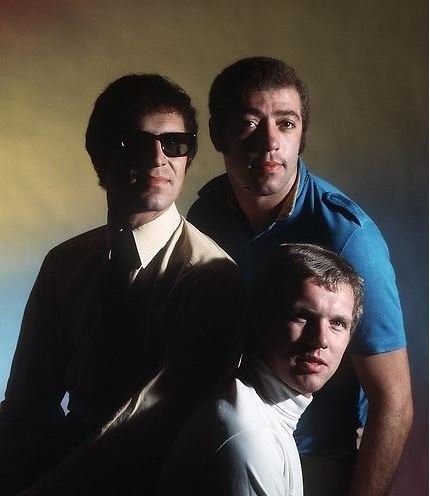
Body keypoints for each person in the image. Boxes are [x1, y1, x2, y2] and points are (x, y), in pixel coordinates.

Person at [0, 74, 244, 495]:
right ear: (101, 156)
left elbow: (152, 422)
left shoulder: (212, 276)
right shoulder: (65, 263)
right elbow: (27, 403)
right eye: (136, 142)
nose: (158, 159)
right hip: (61, 465)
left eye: (174, 144)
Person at [187, 56, 413, 495]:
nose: (270, 142)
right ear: (217, 134)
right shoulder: (207, 215)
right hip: (225, 435)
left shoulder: (348, 237)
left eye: (286, 124)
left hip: (315, 456)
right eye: (249, 123)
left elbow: (394, 400)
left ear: (301, 134)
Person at [159, 243, 364, 496]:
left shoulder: (264, 417)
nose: (320, 339)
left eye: (337, 323)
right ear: (262, 319)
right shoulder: (251, 438)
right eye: (302, 316)